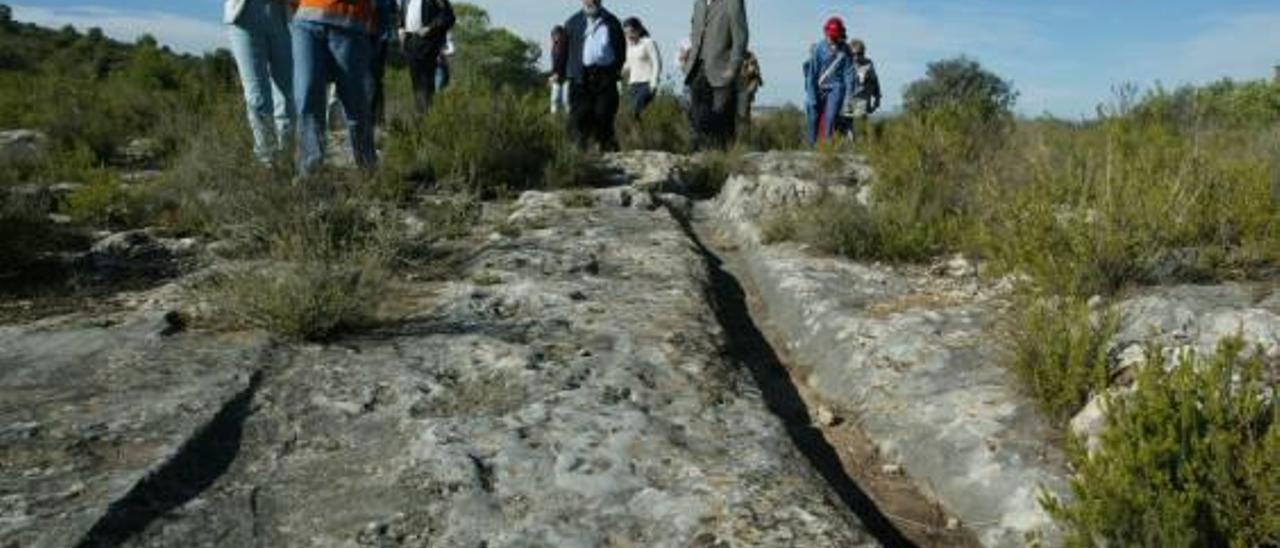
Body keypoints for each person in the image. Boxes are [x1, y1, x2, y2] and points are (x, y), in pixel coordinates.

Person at [292, 0, 378, 174]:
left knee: (355, 103)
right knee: (307, 95)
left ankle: (368, 168)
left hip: (350, 23)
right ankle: (310, 173)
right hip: (306, 21)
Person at [224, 0, 294, 163]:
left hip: (282, 14)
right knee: (257, 96)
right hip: (244, 14)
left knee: (287, 94)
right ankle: (267, 162)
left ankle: (287, 158)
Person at [553, 0, 626, 151]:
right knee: (579, 117)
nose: (591, 1)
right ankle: (580, 154)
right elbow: (562, 50)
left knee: (604, 114)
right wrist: (558, 72)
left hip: (605, 76)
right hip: (580, 76)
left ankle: (607, 151)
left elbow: (620, 49)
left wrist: (615, 71)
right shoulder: (572, 22)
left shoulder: (612, 22)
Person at [683, 0, 749, 150]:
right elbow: (695, 31)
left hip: (722, 68)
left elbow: (741, 36)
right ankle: (700, 157)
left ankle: (724, 161)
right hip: (696, 67)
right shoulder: (698, 3)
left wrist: (733, 67)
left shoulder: (733, 2)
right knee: (697, 117)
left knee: (722, 119)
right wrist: (689, 61)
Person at [803, 17, 855, 145]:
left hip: (836, 87)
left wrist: (848, 97)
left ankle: (827, 146)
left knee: (830, 117)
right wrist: (812, 96)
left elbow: (849, 74)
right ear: (826, 33)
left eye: (835, 36)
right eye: (831, 36)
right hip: (819, 87)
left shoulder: (845, 50)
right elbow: (812, 74)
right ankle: (810, 145)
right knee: (813, 116)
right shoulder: (819, 48)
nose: (833, 39)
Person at [399, 0, 456, 112]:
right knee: (416, 84)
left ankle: (428, 118)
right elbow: (401, 18)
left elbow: (448, 17)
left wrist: (430, 28)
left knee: (426, 83)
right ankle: (420, 115)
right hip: (410, 42)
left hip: (428, 43)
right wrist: (400, 28)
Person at [838, 38, 881, 139]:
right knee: (846, 128)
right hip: (847, 100)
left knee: (859, 129)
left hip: (862, 99)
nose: (856, 57)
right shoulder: (846, 63)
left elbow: (875, 82)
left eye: (859, 54)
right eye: (854, 54)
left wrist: (877, 98)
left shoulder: (868, 64)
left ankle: (860, 147)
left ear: (863, 53)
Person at [621, 17, 662, 121]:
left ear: (639, 30)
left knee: (634, 110)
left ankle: (640, 133)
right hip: (633, 85)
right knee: (633, 115)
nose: (629, 35)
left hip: (647, 84)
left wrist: (654, 83)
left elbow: (657, 63)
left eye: (631, 32)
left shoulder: (648, 42)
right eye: (626, 33)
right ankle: (640, 135)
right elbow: (628, 65)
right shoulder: (628, 46)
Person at [369, 0, 398, 125]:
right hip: (362, 37)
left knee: (374, 80)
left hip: (378, 39)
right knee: (372, 80)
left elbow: (394, 15)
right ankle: (375, 119)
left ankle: (376, 119)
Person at [737, 50, 763, 129]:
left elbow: (756, 77)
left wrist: (749, 91)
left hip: (744, 92)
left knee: (743, 120)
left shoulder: (749, 56)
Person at [549, 26, 570, 114]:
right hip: (557, 77)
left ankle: (569, 121)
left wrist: (556, 74)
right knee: (555, 100)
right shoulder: (554, 48)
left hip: (566, 76)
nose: (555, 37)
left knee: (566, 101)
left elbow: (562, 62)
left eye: (557, 34)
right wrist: (552, 76)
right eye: (554, 35)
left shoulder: (567, 47)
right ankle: (555, 123)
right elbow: (555, 64)